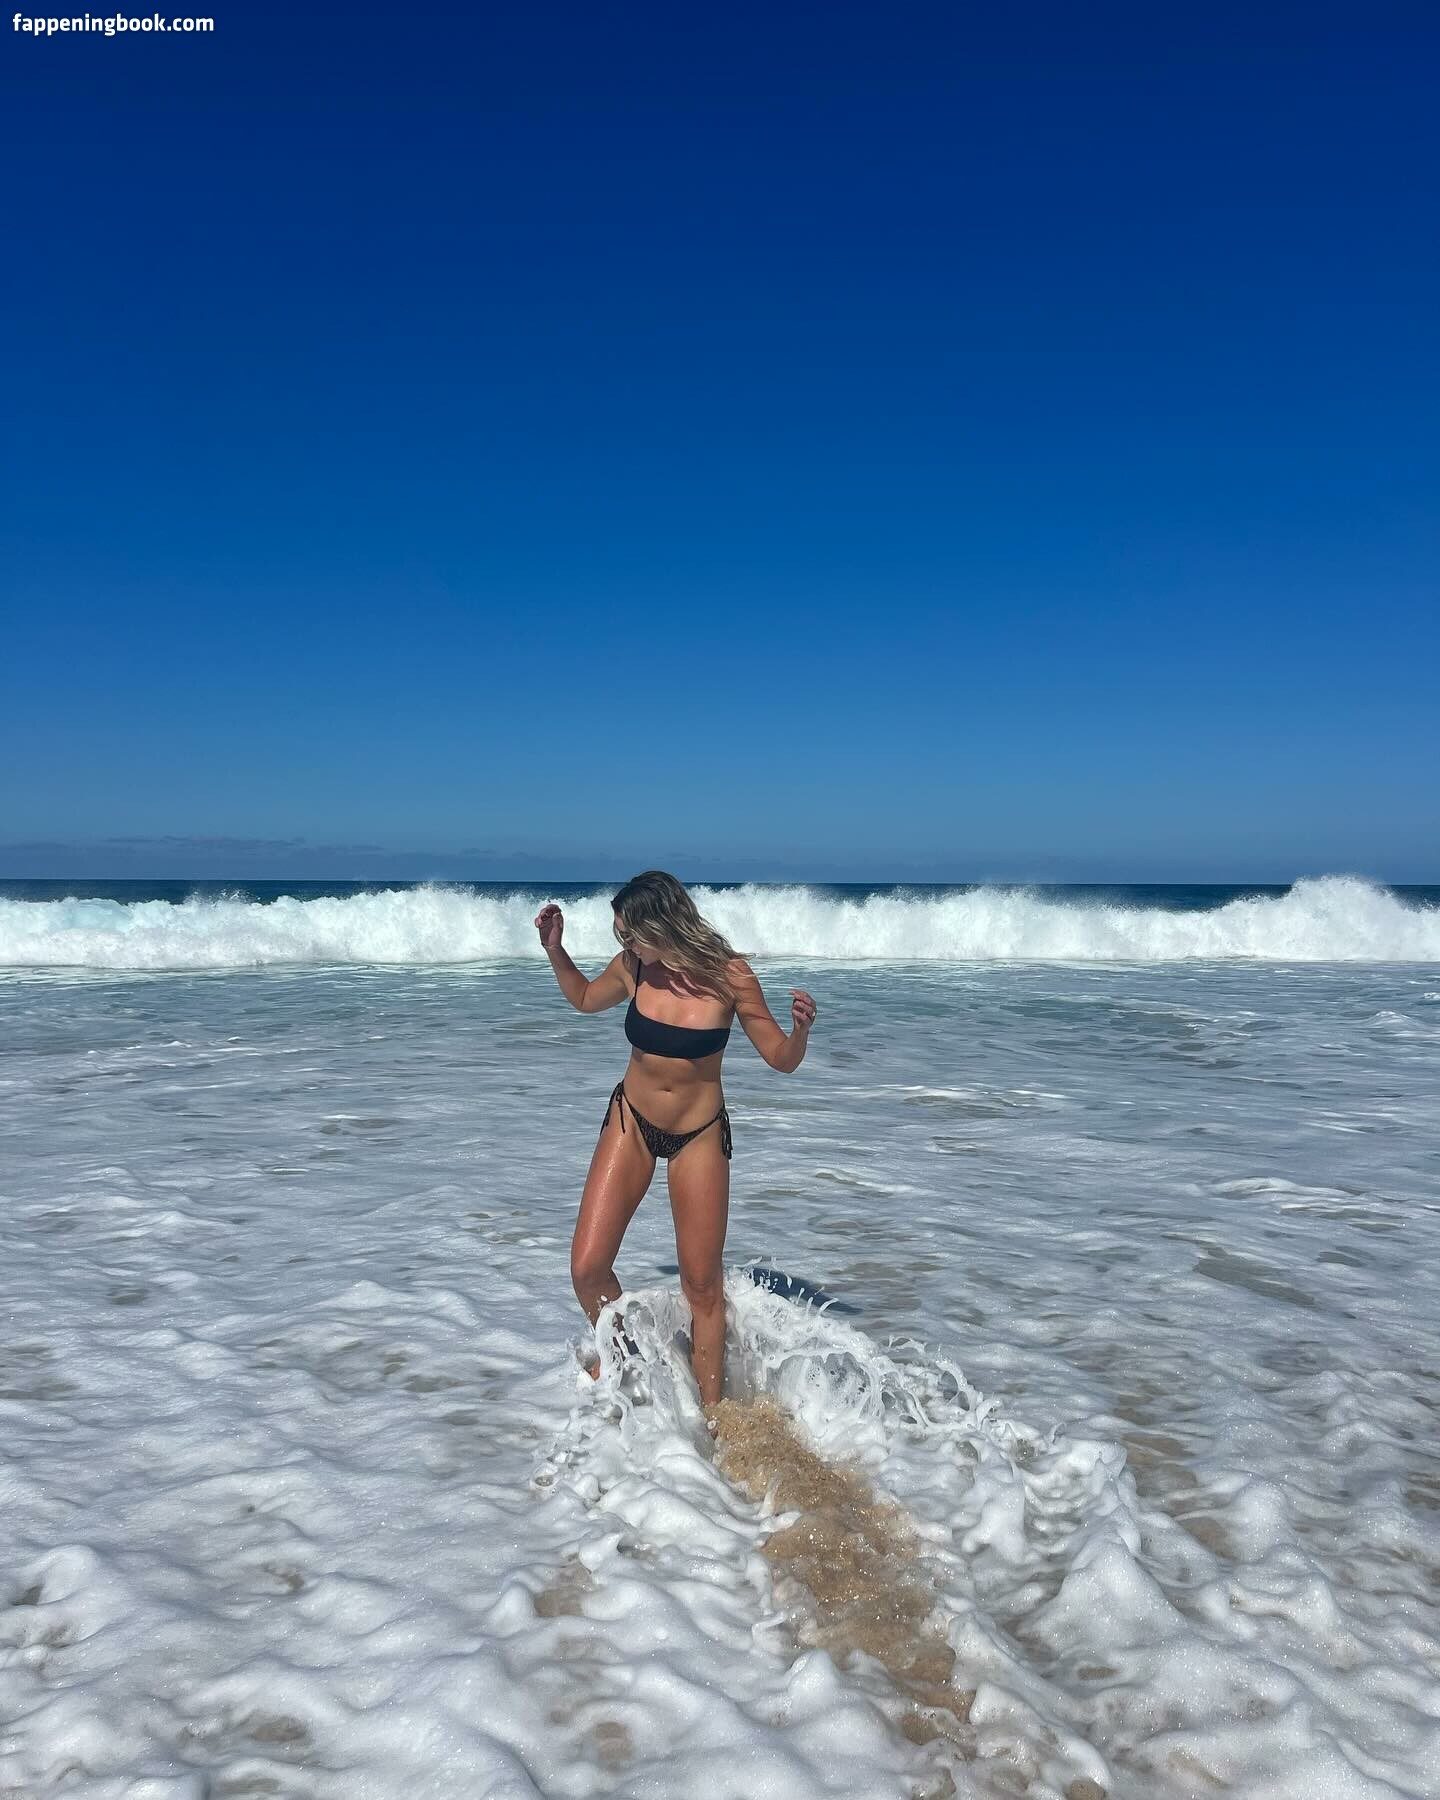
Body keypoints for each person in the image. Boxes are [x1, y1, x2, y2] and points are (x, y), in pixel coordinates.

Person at [534, 870, 817, 1407]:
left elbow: (781, 1059)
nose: (625, 943)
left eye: (631, 933)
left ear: (663, 923)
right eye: (621, 935)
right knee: (587, 1269)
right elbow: (585, 998)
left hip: (699, 1135)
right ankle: (629, 1366)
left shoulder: (731, 977)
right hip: (632, 1121)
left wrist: (800, 1032)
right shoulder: (635, 966)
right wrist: (555, 949)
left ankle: (710, 1417)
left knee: (702, 1288)